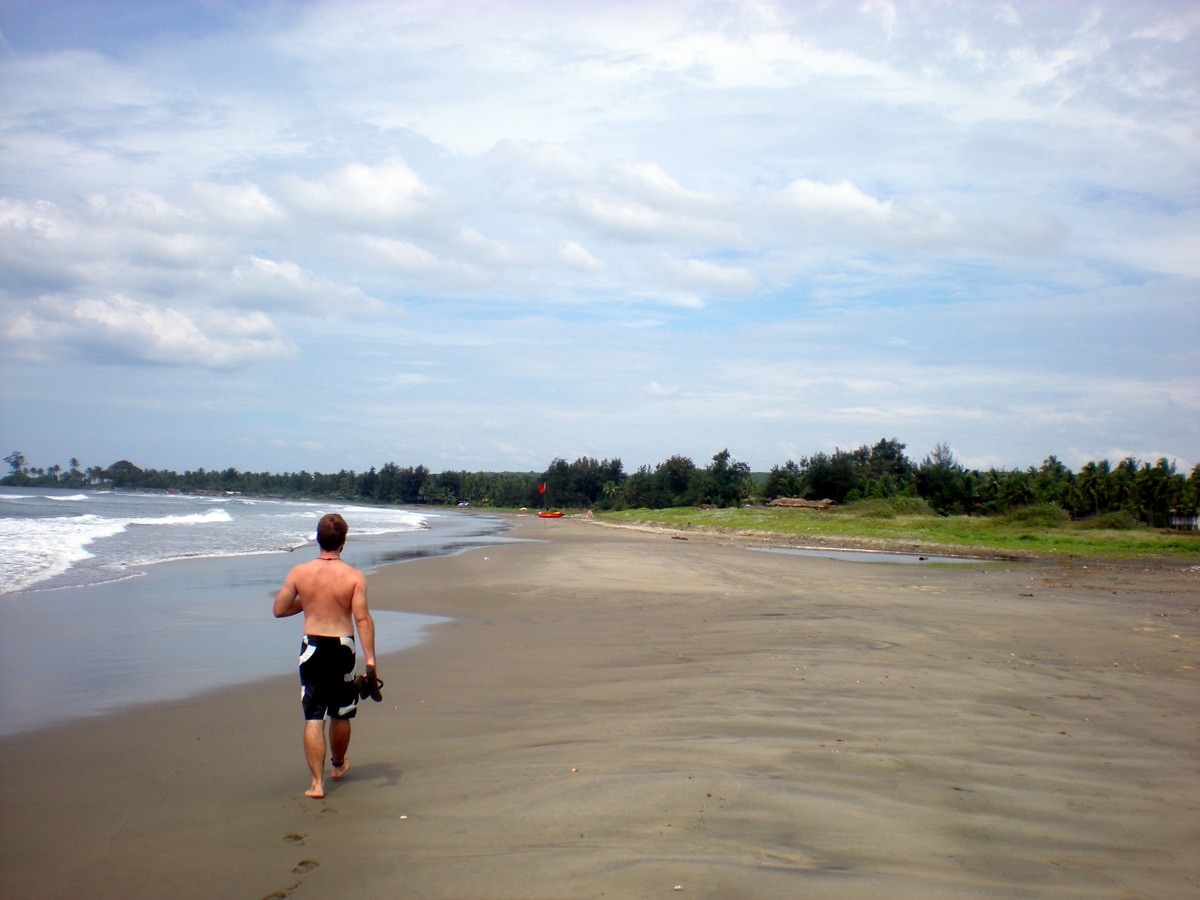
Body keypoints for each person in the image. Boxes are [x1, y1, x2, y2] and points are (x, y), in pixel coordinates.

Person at [273, 513, 377, 799]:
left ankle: (317, 785)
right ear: (343, 542)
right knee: (341, 712)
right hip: (343, 646)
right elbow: (362, 619)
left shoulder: (299, 573)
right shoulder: (354, 577)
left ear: (318, 540)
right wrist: (370, 662)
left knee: (313, 716)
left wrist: (307, 602)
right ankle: (338, 764)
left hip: (313, 648)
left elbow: (280, 609)